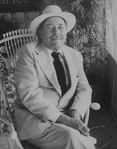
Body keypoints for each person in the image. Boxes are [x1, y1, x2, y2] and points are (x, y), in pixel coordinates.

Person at [14, 5, 96, 149]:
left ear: (66, 31)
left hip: (67, 116)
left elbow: (84, 88)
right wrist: (64, 120)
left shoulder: (74, 55)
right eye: (50, 27)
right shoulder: (29, 52)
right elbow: (29, 94)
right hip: (37, 121)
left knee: (76, 138)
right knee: (73, 138)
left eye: (60, 27)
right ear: (40, 32)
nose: (56, 32)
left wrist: (75, 112)